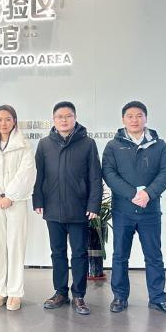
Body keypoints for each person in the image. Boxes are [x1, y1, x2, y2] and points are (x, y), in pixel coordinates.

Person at [102, 101, 166, 317]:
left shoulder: (159, 145)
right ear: (123, 119)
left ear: (146, 118)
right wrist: (132, 194)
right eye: (130, 116)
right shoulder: (113, 146)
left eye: (139, 115)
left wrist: (148, 193)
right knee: (120, 256)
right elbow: (108, 173)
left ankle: (158, 298)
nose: (134, 120)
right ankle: (120, 297)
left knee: (154, 256)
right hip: (122, 210)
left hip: (150, 210)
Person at [33, 101, 103, 315]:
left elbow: (95, 176)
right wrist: (38, 200)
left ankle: (79, 295)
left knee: (79, 253)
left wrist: (93, 204)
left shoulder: (87, 143)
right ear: (53, 120)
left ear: (75, 118)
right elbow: (38, 175)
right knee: (58, 252)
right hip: (53, 207)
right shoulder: (44, 144)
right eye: (59, 117)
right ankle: (60, 292)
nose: (64, 120)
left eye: (68, 116)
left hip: (79, 208)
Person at [0, 105, 35, 311]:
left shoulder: (24, 145)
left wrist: (10, 196)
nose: (3, 123)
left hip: (16, 202)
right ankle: (0, 290)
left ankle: (15, 292)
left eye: (8, 119)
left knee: (16, 245)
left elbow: (27, 172)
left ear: (14, 121)